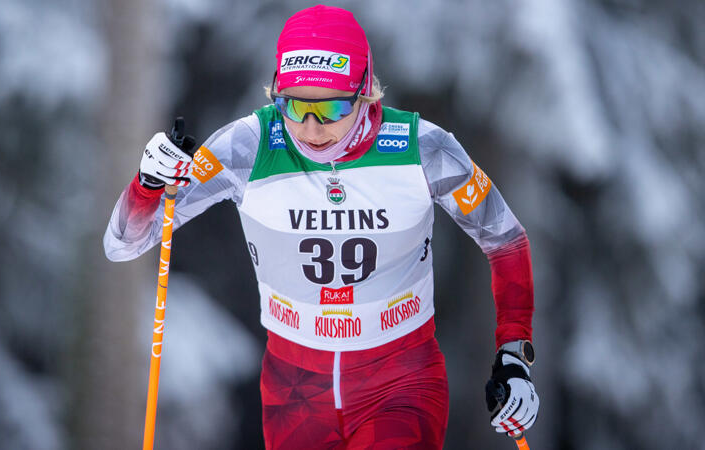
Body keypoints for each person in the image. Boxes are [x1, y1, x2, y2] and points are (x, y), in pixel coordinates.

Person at [104, 5, 539, 449]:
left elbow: (504, 238)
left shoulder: (422, 148)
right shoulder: (248, 146)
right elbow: (124, 243)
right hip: (295, 391)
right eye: (295, 106)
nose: (311, 128)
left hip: (399, 381)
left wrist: (514, 352)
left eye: (331, 108)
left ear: (366, 90)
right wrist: (147, 186)